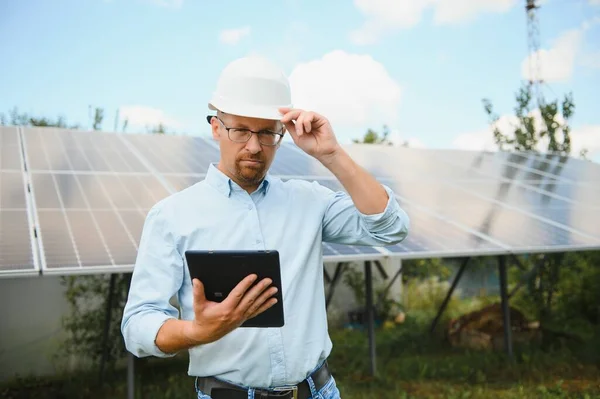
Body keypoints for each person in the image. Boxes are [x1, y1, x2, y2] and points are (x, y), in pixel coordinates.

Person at [121, 56, 410, 399]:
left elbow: (389, 228)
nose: (254, 146)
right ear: (216, 127)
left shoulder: (309, 201)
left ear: (281, 134)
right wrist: (198, 331)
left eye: (267, 133)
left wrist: (331, 154)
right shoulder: (172, 215)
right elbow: (138, 324)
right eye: (240, 130)